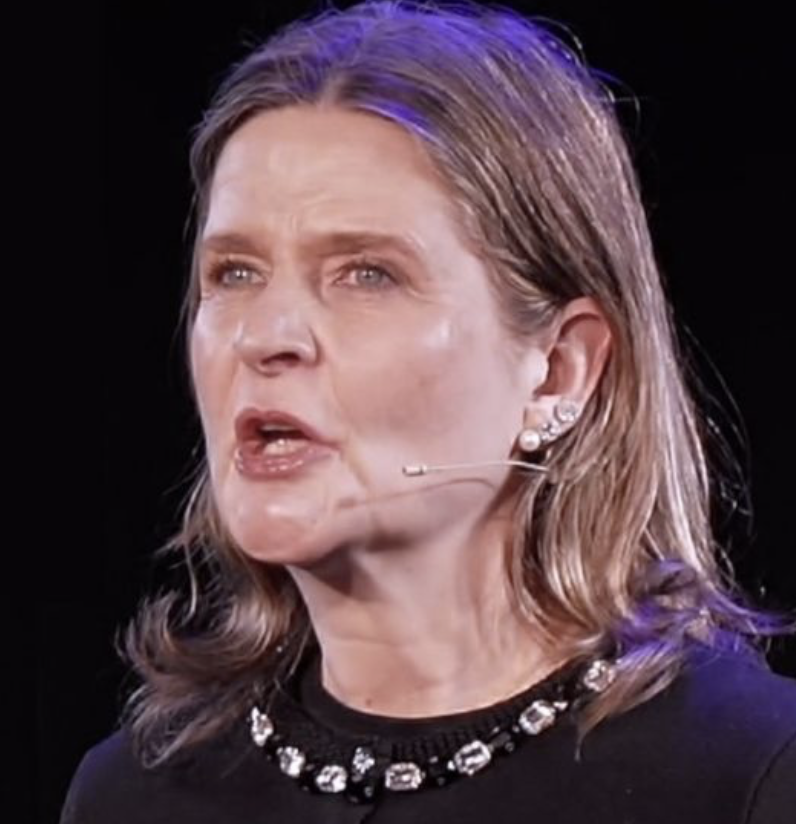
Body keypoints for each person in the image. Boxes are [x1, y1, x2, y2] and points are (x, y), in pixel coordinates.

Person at [63, 1, 795, 821]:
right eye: (235, 272)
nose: (264, 336)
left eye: (366, 274)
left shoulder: (751, 776)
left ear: (557, 372)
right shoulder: (130, 795)